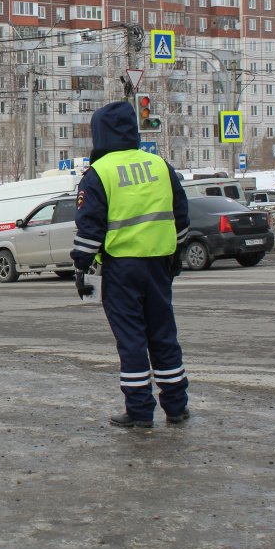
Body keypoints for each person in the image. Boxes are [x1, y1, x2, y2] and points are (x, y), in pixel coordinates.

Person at [70, 101, 191, 429]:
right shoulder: (160, 166)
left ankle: (139, 412)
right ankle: (177, 406)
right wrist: (176, 255)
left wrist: (81, 268)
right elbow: (181, 217)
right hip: (159, 265)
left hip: (122, 270)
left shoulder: (99, 174)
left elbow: (90, 229)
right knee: (164, 334)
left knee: (132, 340)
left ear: (99, 134)